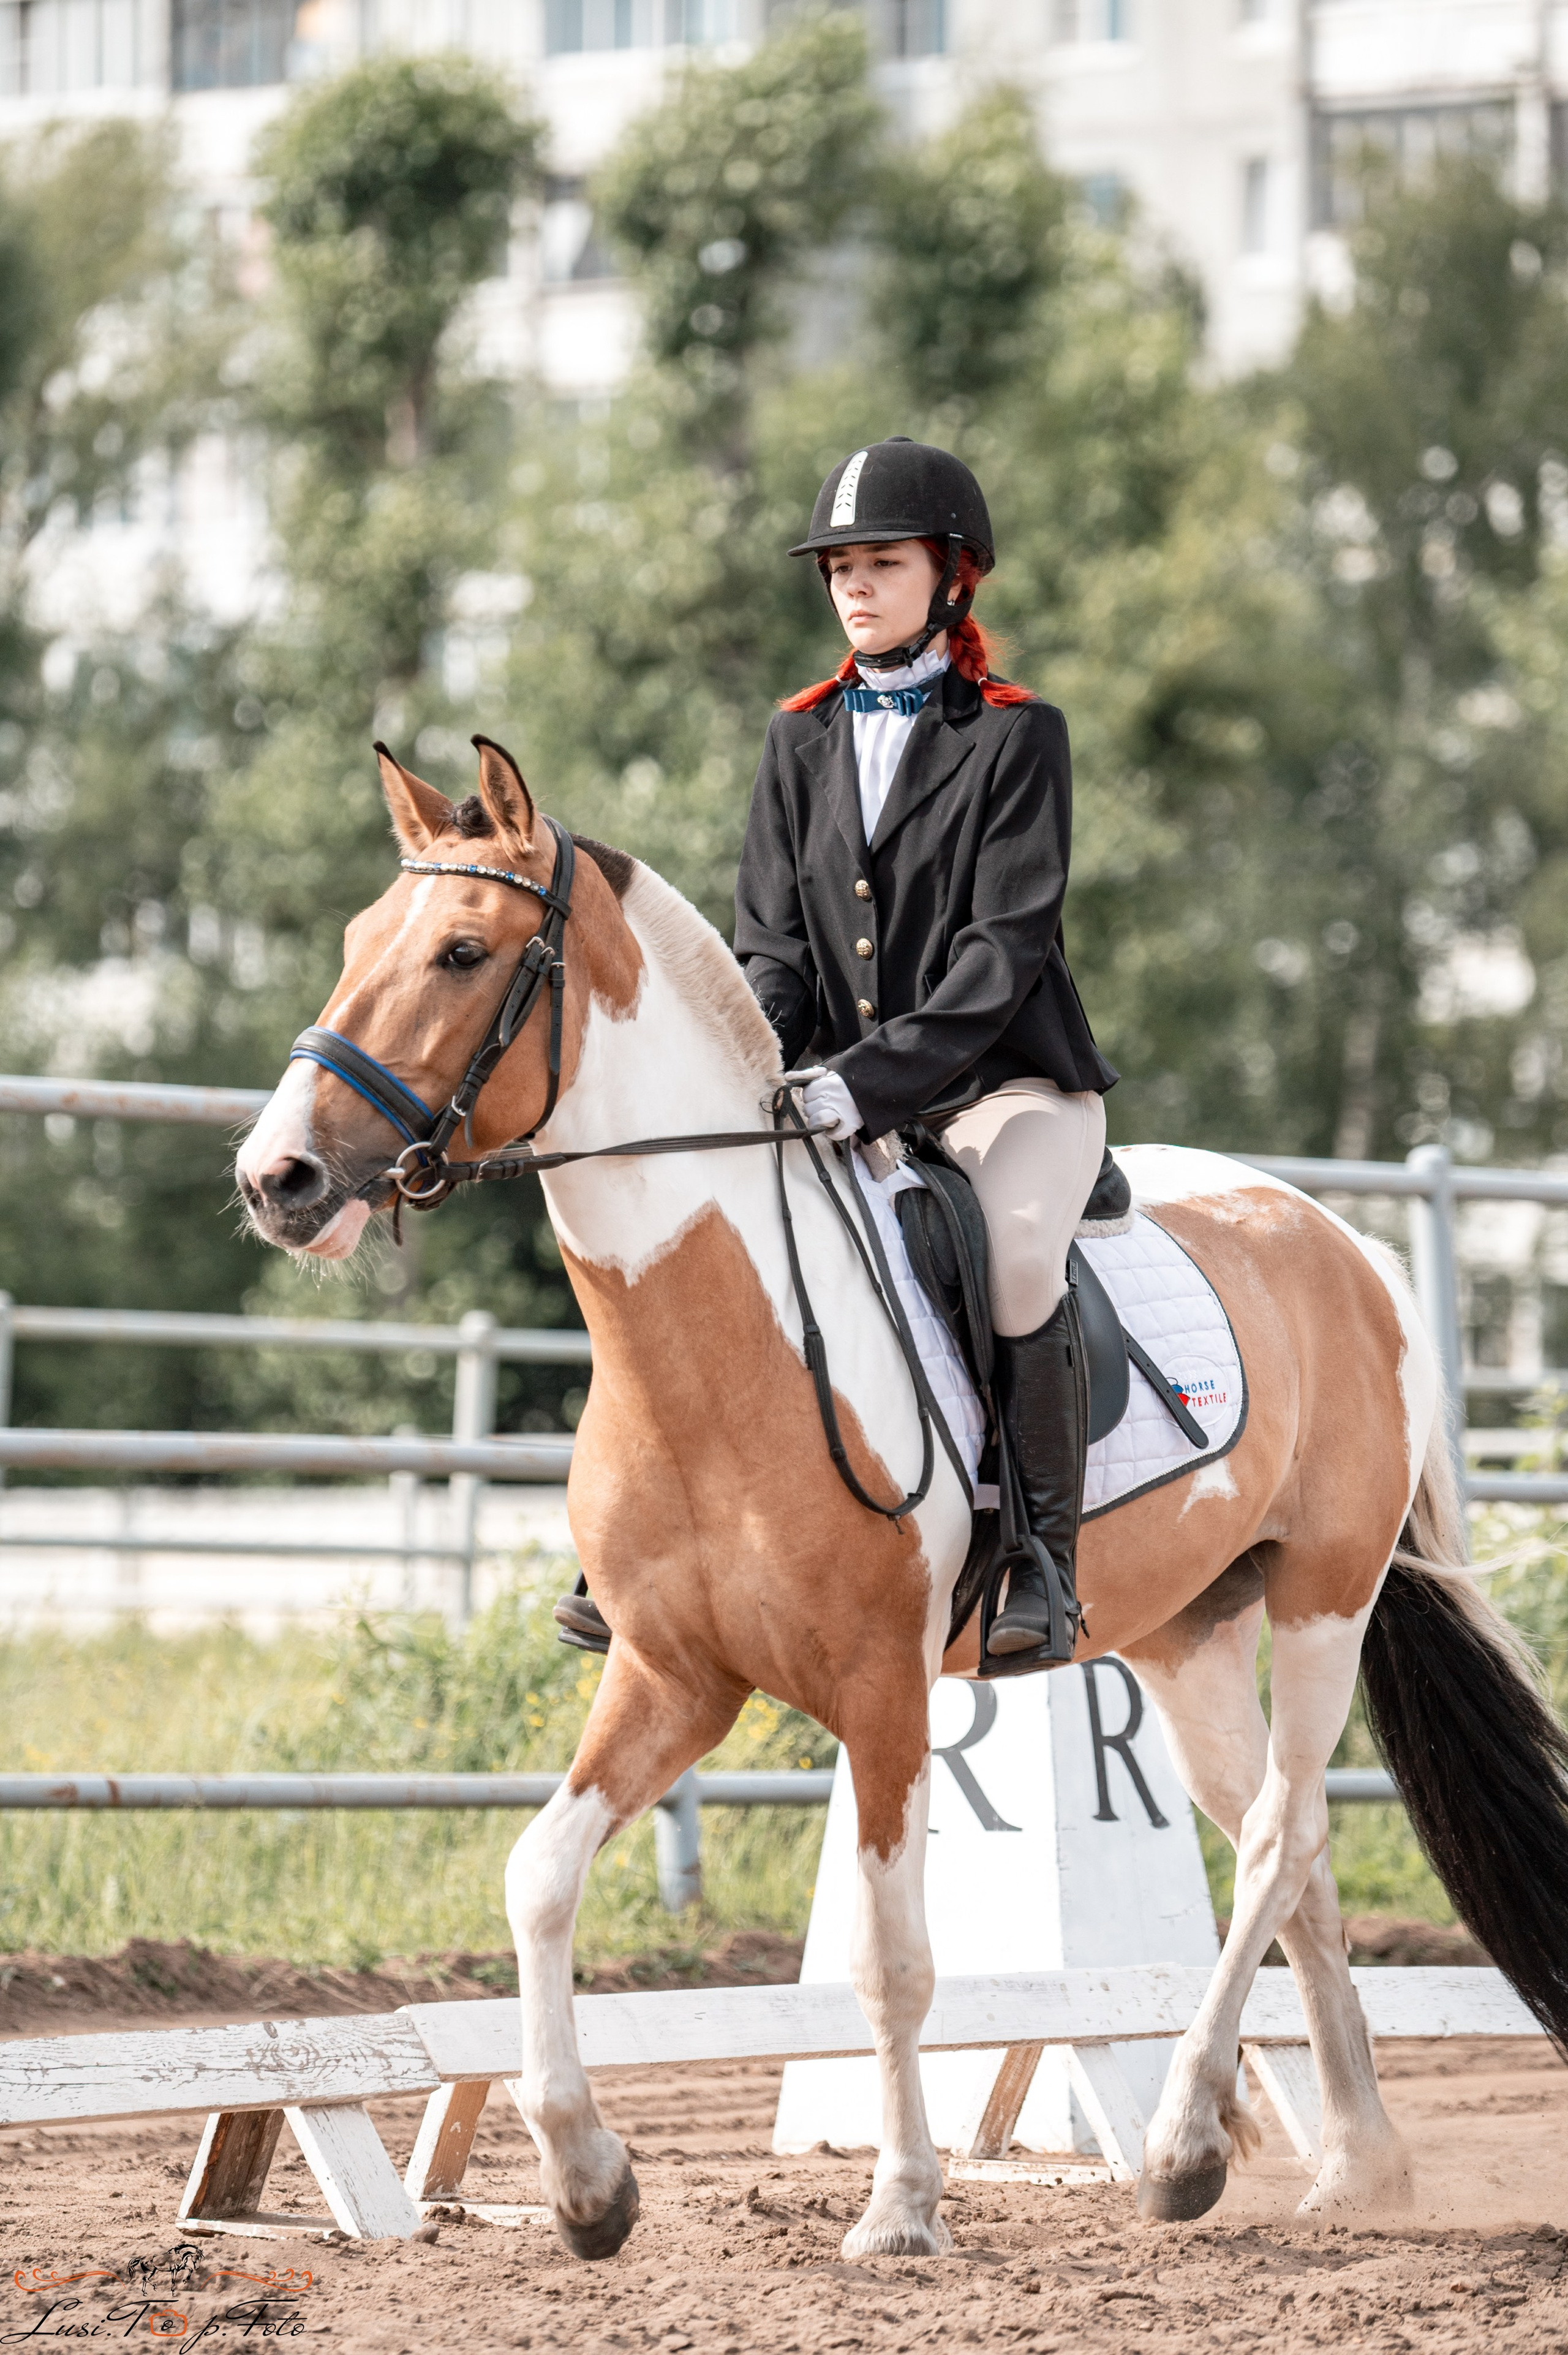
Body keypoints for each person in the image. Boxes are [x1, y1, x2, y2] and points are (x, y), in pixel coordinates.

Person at [734, 437, 1118, 1659]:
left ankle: (1040, 1564)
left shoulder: (1015, 736)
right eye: (838, 567)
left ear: (950, 574)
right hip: (844, 1094)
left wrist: (861, 1082)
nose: (852, 586)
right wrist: (758, 1075)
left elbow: (997, 958)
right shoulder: (796, 738)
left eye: (880, 563)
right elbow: (774, 950)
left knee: (1010, 1254)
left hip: (1008, 1089)